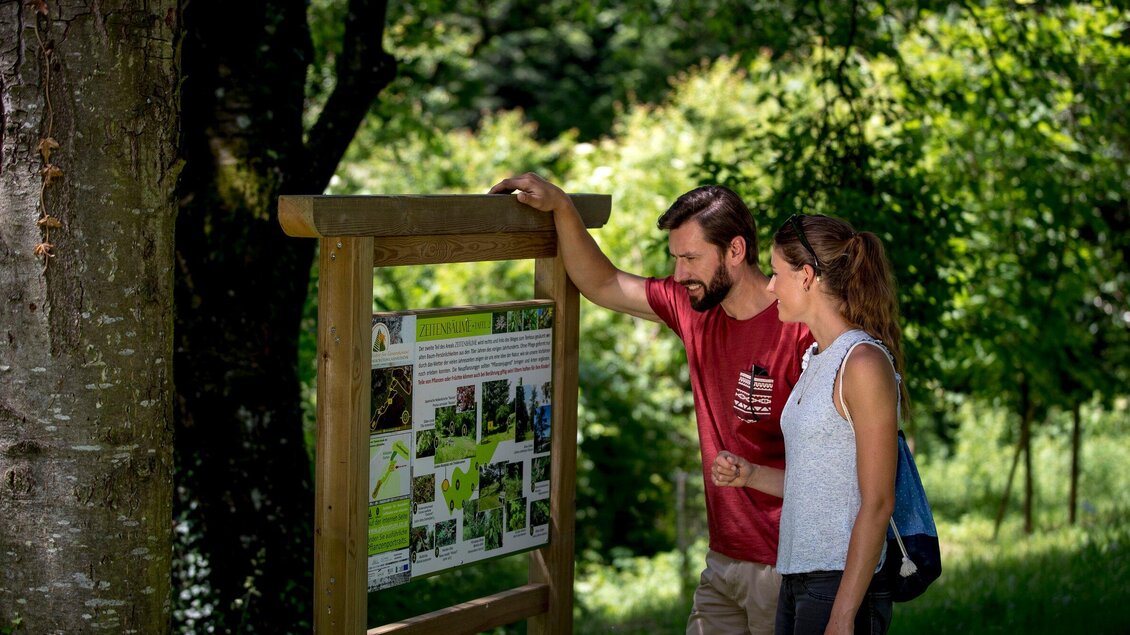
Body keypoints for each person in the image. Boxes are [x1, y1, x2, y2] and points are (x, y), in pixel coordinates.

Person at [489, 172, 813, 634]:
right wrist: (562, 207)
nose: (680, 273)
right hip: (723, 560)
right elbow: (601, 283)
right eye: (675, 258)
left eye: (691, 258)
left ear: (736, 251)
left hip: (788, 564)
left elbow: (837, 464)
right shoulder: (692, 305)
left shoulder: (799, 328)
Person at [711, 213, 906, 635]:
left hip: (839, 583)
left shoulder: (863, 363)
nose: (768, 285)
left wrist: (842, 615)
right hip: (797, 576)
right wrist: (750, 475)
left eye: (777, 273)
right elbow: (817, 482)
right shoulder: (814, 359)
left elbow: (877, 502)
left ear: (806, 277)